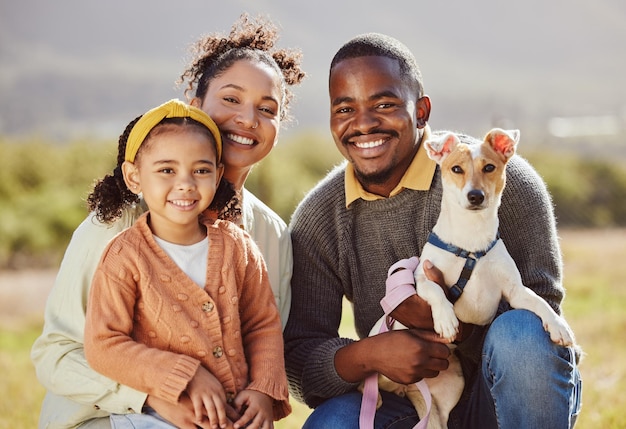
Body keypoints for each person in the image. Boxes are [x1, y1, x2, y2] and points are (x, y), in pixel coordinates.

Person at [283, 32, 582, 429]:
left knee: (523, 336)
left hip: (504, 396)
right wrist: (370, 354)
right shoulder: (321, 217)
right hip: (409, 401)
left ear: (421, 111)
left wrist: (450, 324)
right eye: (345, 109)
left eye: (385, 104)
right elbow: (302, 358)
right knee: (331, 423)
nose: (364, 123)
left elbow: (540, 328)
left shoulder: (496, 180)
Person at [31, 13, 305, 429]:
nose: (248, 119)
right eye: (231, 99)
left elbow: (264, 335)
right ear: (195, 108)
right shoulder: (118, 224)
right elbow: (57, 354)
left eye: (267, 109)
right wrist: (148, 398)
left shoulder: (269, 234)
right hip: (103, 418)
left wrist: (262, 392)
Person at [82, 99, 290, 429]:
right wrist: (186, 374)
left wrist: (264, 389)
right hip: (157, 415)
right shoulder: (124, 256)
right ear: (134, 177)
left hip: (234, 413)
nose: (185, 183)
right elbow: (103, 345)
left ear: (218, 175)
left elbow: (261, 325)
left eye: (201, 170)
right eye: (167, 170)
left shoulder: (238, 247)